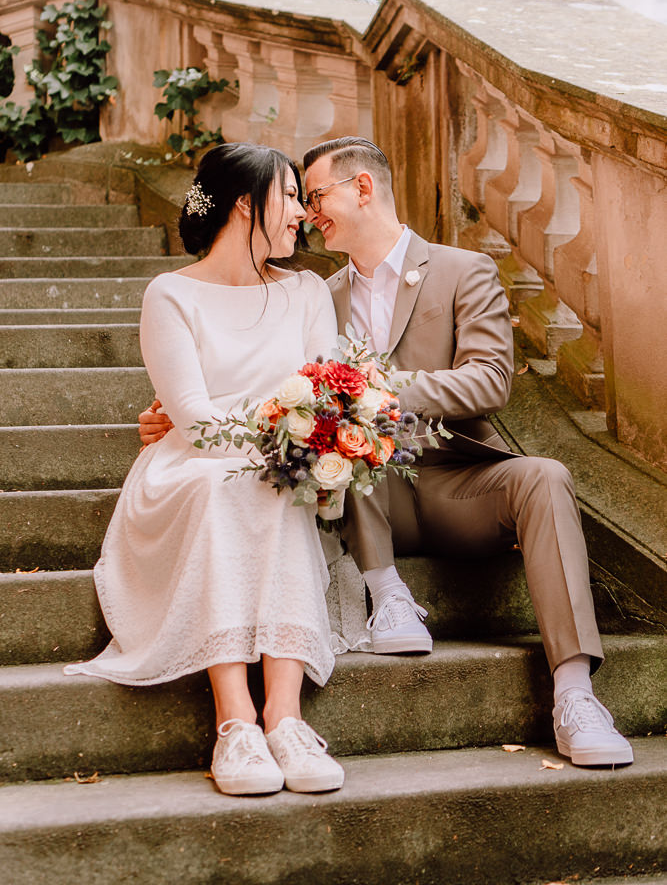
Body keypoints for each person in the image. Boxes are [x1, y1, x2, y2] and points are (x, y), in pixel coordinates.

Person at [140, 136, 633, 770]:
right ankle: (385, 589)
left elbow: (491, 379)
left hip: (454, 477)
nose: (308, 214)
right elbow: (250, 380)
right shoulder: (322, 290)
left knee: (546, 477)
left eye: (314, 196)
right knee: (337, 447)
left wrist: (375, 391)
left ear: (362, 189)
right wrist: (174, 420)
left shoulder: (463, 270)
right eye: (298, 199)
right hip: (363, 490)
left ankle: (575, 694)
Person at [66, 142, 346, 796]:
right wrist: (277, 424)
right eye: (288, 197)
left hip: (274, 463)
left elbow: (326, 396)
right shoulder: (170, 294)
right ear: (245, 204)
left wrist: (291, 434)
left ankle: (284, 717)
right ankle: (236, 722)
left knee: (272, 484)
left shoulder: (306, 290)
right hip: (186, 470)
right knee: (229, 483)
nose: (301, 213)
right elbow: (191, 420)